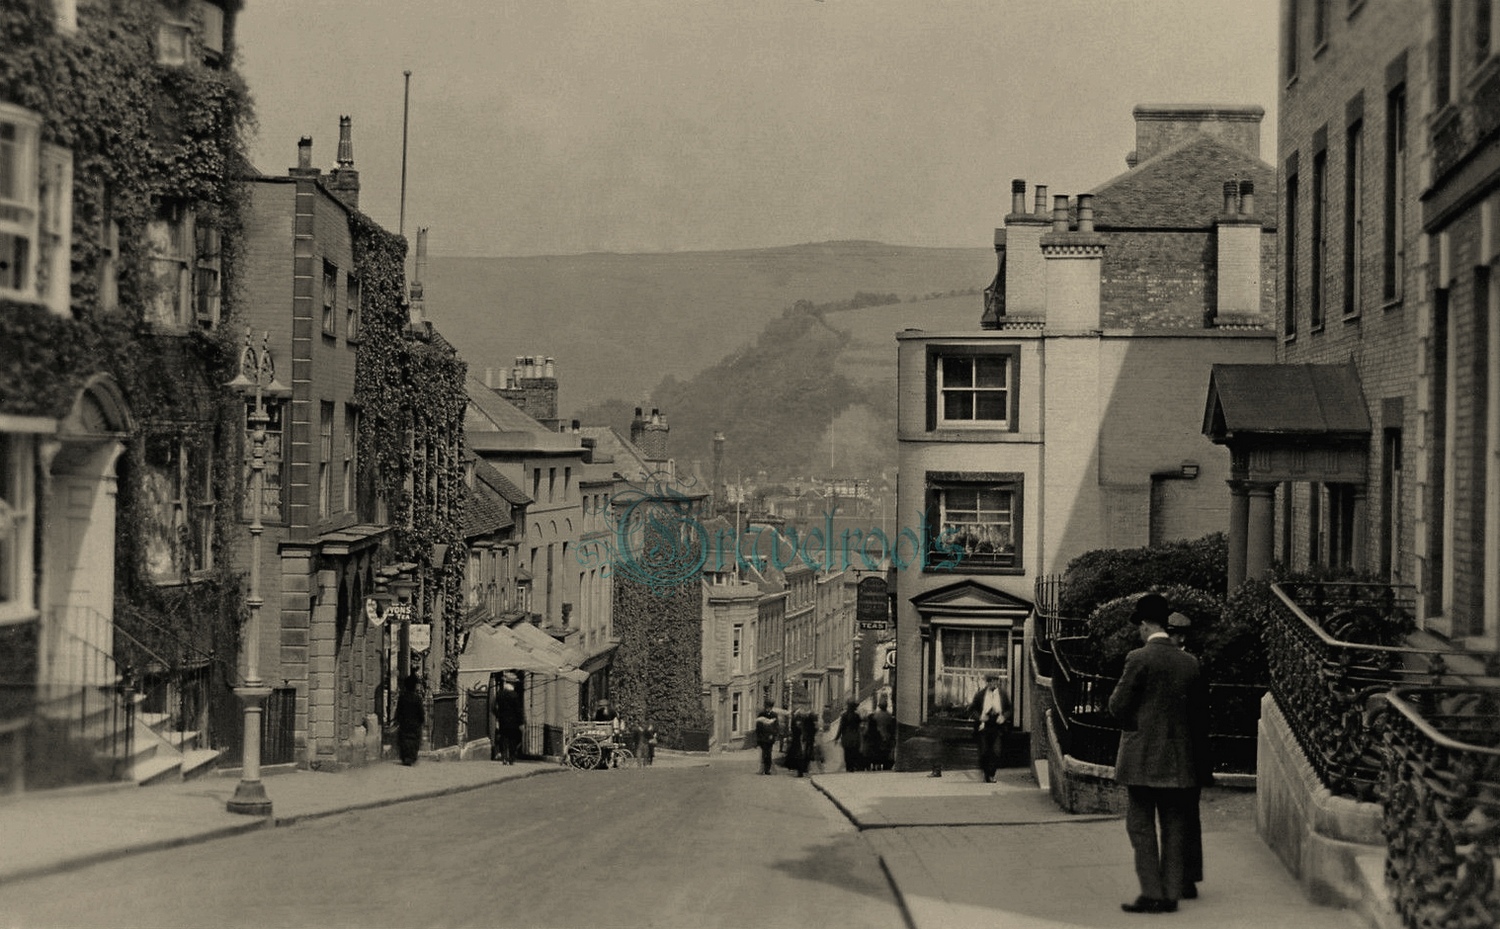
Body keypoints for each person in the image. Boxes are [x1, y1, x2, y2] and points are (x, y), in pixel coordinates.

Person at [1108, 593, 1207, 915]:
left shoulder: (1138, 658)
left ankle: (1152, 893)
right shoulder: (1189, 663)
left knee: (1140, 826)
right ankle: (1172, 893)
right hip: (1178, 760)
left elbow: (1117, 706)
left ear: (1146, 625)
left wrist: (1135, 723)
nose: (1138, 631)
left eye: (1139, 626)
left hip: (1141, 758)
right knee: (1175, 826)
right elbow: (1197, 714)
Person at [1168, 611, 1213, 900]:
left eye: (1173, 634)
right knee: (1183, 816)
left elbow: (1199, 716)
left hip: (1184, 753)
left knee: (1182, 816)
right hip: (1184, 752)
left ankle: (1184, 878)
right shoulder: (1189, 664)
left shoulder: (1191, 665)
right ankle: (1183, 877)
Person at [969, 672, 1013, 782]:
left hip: (997, 726)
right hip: (984, 726)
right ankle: (986, 773)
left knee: (996, 751)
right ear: (987, 682)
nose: (993, 683)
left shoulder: (1003, 694)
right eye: (991, 681)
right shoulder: (980, 695)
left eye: (996, 681)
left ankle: (991, 774)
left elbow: (1009, 709)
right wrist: (980, 717)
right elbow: (972, 710)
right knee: (984, 751)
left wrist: (1003, 717)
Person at [492, 677, 524, 765]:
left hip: (503, 721)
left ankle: (504, 757)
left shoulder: (500, 694)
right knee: (512, 739)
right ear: (513, 684)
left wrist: (498, 715)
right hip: (513, 722)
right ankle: (511, 758)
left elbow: (493, 707)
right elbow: (518, 710)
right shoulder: (514, 695)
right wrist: (521, 722)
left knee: (504, 738)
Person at [395, 673, 424, 766]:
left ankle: (405, 757)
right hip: (415, 724)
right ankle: (411, 756)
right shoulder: (417, 698)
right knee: (414, 740)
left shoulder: (402, 697)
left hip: (404, 723)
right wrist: (421, 720)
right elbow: (421, 712)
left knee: (404, 739)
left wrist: (398, 719)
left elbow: (398, 710)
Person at [832, 699, 864, 772]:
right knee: (854, 752)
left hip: (846, 737)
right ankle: (853, 766)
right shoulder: (856, 716)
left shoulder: (844, 716)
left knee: (847, 753)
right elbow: (860, 725)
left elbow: (841, 728)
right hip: (855, 736)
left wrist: (836, 738)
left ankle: (848, 767)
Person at [867, 694, 895, 771]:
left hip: (877, 736)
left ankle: (877, 765)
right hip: (887, 736)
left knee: (877, 751)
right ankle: (885, 766)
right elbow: (891, 728)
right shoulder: (889, 716)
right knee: (886, 752)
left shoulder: (875, 715)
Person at [592, 698, 622, 769]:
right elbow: (616, 718)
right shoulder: (612, 711)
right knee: (609, 747)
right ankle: (608, 762)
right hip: (608, 731)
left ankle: (602, 762)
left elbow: (594, 718)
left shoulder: (598, 711)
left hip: (599, 730)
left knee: (603, 748)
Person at [754, 700, 779, 775]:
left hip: (770, 738)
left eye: (769, 707)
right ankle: (762, 769)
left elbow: (776, 727)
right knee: (763, 753)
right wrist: (758, 736)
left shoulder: (774, 715)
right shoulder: (761, 714)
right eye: (766, 707)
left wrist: (773, 735)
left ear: (771, 707)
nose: (767, 709)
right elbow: (758, 726)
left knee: (768, 753)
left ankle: (767, 770)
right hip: (762, 737)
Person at [785, 709, 810, 776]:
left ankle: (800, 771)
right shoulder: (801, 720)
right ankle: (801, 770)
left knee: (799, 755)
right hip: (799, 740)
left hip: (799, 740)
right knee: (800, 755)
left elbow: (796, 729)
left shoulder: (797, 720)